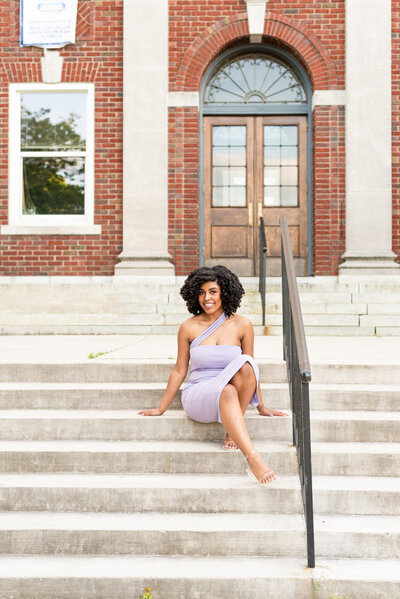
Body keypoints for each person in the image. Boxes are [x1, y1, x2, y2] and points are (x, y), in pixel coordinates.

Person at [138, 265, 287, 484]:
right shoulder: (188, 327)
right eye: (201, 292)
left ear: (225, 292)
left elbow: (251, 368)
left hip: (231, 388)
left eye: (213, 292)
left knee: (246, 365)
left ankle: (232, 431)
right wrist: (161, 407)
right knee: (226, 391)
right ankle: (253, 458)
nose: (206, 298)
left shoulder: (242, 324)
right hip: (199, 392)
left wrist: (261, 405)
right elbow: (180, 370)